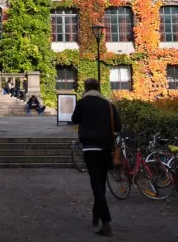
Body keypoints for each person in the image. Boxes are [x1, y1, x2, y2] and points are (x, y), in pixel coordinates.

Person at [70, 78, 122, 237]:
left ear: (86, 88)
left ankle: (106, 223)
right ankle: (96, 215)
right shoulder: (108, 104)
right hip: (106, 149)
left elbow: (74, 120)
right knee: (100, 184)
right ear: (99, 88)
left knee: (96, 185)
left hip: (90, 148)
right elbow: (118, 126)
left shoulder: (82, 103)